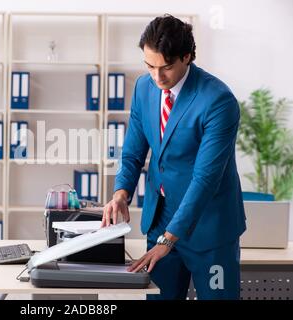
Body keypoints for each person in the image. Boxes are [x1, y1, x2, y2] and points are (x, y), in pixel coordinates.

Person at [101, 14, 246, 300]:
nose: (157, 77)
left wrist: (169, 239)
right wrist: (121, 193)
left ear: (187, 56)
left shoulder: (218, 101)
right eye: (150, 66)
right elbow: (132, 152)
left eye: (165, 67)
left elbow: (205, 179)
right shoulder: (145, 88)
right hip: (161, 215)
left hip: (209, 224)